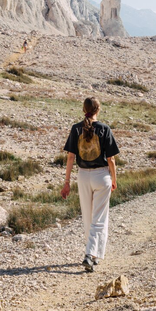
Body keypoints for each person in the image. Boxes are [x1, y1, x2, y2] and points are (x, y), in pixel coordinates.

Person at [61, 96, 119, 272]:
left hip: (83, 176)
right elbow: (111, 159)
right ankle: (90, 254)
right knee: (99, 219)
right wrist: (114, 179)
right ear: (98, 109)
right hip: (102, 176)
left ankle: (93, 255)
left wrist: (66, 182)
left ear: (83, 109)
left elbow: (71, 157)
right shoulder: (104, 129)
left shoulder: (75, 128)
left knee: (87, 217)